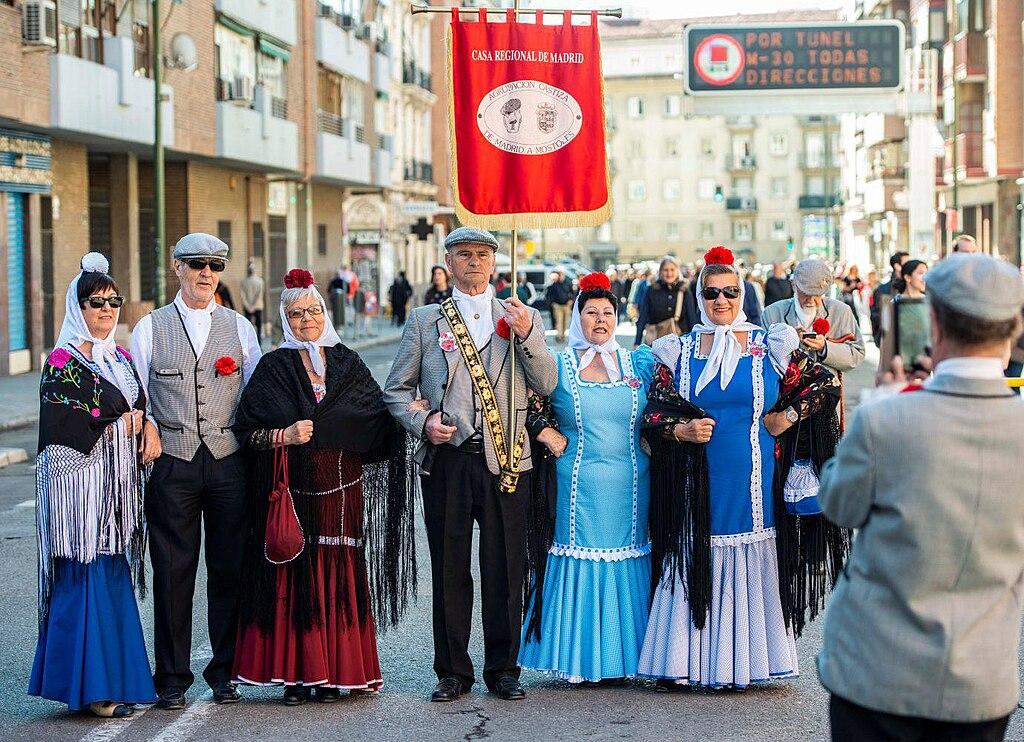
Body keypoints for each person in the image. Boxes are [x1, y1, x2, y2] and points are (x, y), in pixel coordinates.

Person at [818, 253, 1024, 741]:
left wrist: (885, 403)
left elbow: (838, 505)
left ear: (932, 320)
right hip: (980, 680)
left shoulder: (887, 420)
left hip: (877, 673)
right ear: (1014, 327)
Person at [383, 226, 558, 703]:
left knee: (505, 569)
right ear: (449, 261)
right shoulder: (425, 320)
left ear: (495, 263)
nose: (474, 262)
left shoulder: (521, 315)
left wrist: (527, 337)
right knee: (450, 567)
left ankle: (504, 668)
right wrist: (422, 426)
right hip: (449, 459)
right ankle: (453, 671)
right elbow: (396, 390)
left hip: (507, 462)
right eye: (464, 254)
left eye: (482, 254)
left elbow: (546, 381)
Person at [232, 269, 415, 705]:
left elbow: (376, 418)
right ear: (284, 319)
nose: (307, 319)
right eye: (296, 314)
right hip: (292, 496)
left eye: (313, 310)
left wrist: (411, 411)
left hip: (341, 492)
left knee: (337, 577)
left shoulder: (348, 363)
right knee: (295, 577)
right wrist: (285, 436)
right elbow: (247, 432)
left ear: (325, 311)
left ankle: (335, 672)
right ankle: (296, 676)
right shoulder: (272, 367)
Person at [638, 246, 804, 689]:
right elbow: (652, 414)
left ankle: (744, 663)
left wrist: (784, 418)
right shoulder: (676, 350)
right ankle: (688, 661)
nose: (722, 301)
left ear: (744, 293)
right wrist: (681, 431)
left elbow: (819, 387)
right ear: (699, 297)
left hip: (753, 482)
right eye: (712, 293)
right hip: (696, 480)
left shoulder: (773, 345)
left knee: (747, 555)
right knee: (696, 551)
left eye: (731, 291)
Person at [130, 233, 262, 710]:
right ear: (176, 267)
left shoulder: (241, 328)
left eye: (214, 265)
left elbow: (254, 396)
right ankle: (170, 678)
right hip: (174, 463)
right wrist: (147, 427)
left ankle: (224, 673)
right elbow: (136, 393)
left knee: (228, 570)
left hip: (228, 461)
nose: (206, 273)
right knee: (172, 572)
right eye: (196, 264)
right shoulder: (150, 327)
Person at [29, 253, 158, 718]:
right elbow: (64, 423)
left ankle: (117, 681)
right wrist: (119, 421)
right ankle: (92, 688)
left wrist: (148, 425)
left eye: (113, 300)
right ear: (76, 307)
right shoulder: (62, 361)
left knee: (110, 576)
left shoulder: (119, 358)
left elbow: (140, 405)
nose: (106, 309)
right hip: (78, 493)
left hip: (115, 493)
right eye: (95, 301)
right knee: (83, 578)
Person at [520, 273, 656, 684]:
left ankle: (624, 659)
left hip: (632, 482)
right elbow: (522, 401)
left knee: (627, 556)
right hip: (576, 481)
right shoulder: (558, 366)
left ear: (618, 318)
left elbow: (666, 407)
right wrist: (545, 431)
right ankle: (578, 660)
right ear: (578, 317)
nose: (600, 320)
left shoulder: (639, 363)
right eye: (592, 312)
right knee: (579, 554)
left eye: (608, 313)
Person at [763, 258, 865, 390]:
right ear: (794, 286)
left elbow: (857, 353)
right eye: (805, 293)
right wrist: (790, 342)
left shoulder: (841, 311)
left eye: (817, 294)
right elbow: (762, 359)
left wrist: (825, 348)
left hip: (827, 400)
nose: (811, 300)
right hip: (785, 401)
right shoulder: (773, 313)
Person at [877, 259, 930, 383]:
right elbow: (885, 340)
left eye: (926, 273)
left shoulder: (930, 304)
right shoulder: (894, 304)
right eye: (920, 273)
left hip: (925, 367)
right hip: (899, 367)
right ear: (907, 277)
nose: (924, 278)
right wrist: (882, 370)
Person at [635, 257, 685, 346]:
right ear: (660, 271)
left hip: (677, 342)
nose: (669, 273)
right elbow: (643, 316)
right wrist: (637, 342)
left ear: (677, 271)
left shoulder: (683, 290)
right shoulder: (651, 289)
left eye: (672, 270)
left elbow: (691, 317)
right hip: (654, 340)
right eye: (665, 270)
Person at [871, 251, 909, 345]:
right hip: (889, 340)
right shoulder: (882, 289)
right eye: (906, 263)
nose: (910, 266)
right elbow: (876, 316)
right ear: (897, 266)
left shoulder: (914, 287)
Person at [240, 261, 265, 342]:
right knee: (258, 325)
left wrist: (248, 306)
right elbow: (259, 295)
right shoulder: (260, 281)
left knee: (247, 325)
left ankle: (248, 341)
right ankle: (259, 341)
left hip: (247, 307)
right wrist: (254, 306)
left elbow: (242, 296)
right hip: (258, 306)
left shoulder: (243, 282)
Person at [545, 271, 573, 343]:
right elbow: (549, 295)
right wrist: (552, 303)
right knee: (559, 321)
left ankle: (563, 335)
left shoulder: (568, 284)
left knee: (565, 321)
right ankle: (559, 336)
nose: (560, 277)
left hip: (566, 306)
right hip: (557, 306)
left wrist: (571, 300)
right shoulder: (554, 285)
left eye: (561, 275)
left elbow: (572, 293)